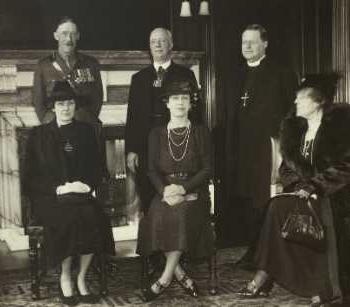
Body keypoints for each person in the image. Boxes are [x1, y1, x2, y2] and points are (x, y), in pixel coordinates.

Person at [237, 73, 350, 307]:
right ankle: (266, 271)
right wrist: (300, 187)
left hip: (331, 198)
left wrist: (314, 186)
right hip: (301, 193)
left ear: (318, 102)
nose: (296, 102)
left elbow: (344, 168)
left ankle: (317, 288)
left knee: (318, 215)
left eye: (302, 98)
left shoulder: (337, 130)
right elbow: (285, 169)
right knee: (275, 207)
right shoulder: (294, 131)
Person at [25, 81, 115, 306]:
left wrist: (88, 186)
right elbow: (31, 176)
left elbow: (98, 168)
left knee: (93, 217)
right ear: (53, 107)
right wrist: (58, 188)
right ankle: (65, 276)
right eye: (61, 104)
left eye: (70, 103)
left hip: (81, 194)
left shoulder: (86, 131)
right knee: (68, 220)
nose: (66, 108)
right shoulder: (39, 135)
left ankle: (81, 277)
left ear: (75, 106)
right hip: (51, 197)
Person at [226, 24, 297, 269]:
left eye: (252, 42)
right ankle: (254, 250)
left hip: (269, 149)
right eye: (244, 42)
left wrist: (285, 147)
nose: (246, 46)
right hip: (244, 149)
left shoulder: (281, 72)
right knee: (248, 202)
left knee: (266, 201)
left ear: (265, 44)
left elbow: (293, 112)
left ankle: (270, 253)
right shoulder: (236, 74)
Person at [136, 80, 213, 302]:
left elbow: (208, 170)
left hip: (194, 191)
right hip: (165, 191)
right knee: (156, 216)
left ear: (191, 104)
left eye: (185, 99)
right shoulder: (156, 134)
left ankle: (165, 279)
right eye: (175, 99)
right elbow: (151, 171)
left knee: (181, 215)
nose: (180, 103)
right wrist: (165, 191)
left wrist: (183, 188)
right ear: (167, 104)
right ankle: (180, 273)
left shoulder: (200, 132)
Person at [125, 27, 201, 214]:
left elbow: (196, 114)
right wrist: (131, 149)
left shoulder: (185, 75)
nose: (157, 44)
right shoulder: (139, 79)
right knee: (149, 198)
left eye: (162, 40)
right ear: (149, 47)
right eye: (153, 41)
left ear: (171, 45)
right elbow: (132, 117)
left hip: (176, 146)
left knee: (176, 199)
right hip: (145, 147)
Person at [32, 16, 103, 132]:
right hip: (56, 131)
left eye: (73, 34)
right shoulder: (43, 66)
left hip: (85, 129)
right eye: (64, 33)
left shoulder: (91, 64)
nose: (69, 39)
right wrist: (50, 123)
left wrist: (87, 120)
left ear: (78, 36)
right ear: (56, 36)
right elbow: (38, 102)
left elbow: (97, 99)